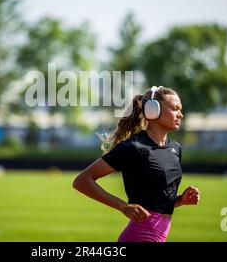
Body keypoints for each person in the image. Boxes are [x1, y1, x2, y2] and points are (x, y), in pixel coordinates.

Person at [72, 86, 200, 242]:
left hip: (159, 236)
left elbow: (157, 202)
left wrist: (181, 200)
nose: (180, 114)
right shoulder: (134, 147)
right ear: (153, 109)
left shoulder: (175, 148)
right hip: (140, 236)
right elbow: (81, 181)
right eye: (175, 108)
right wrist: (122, 206)